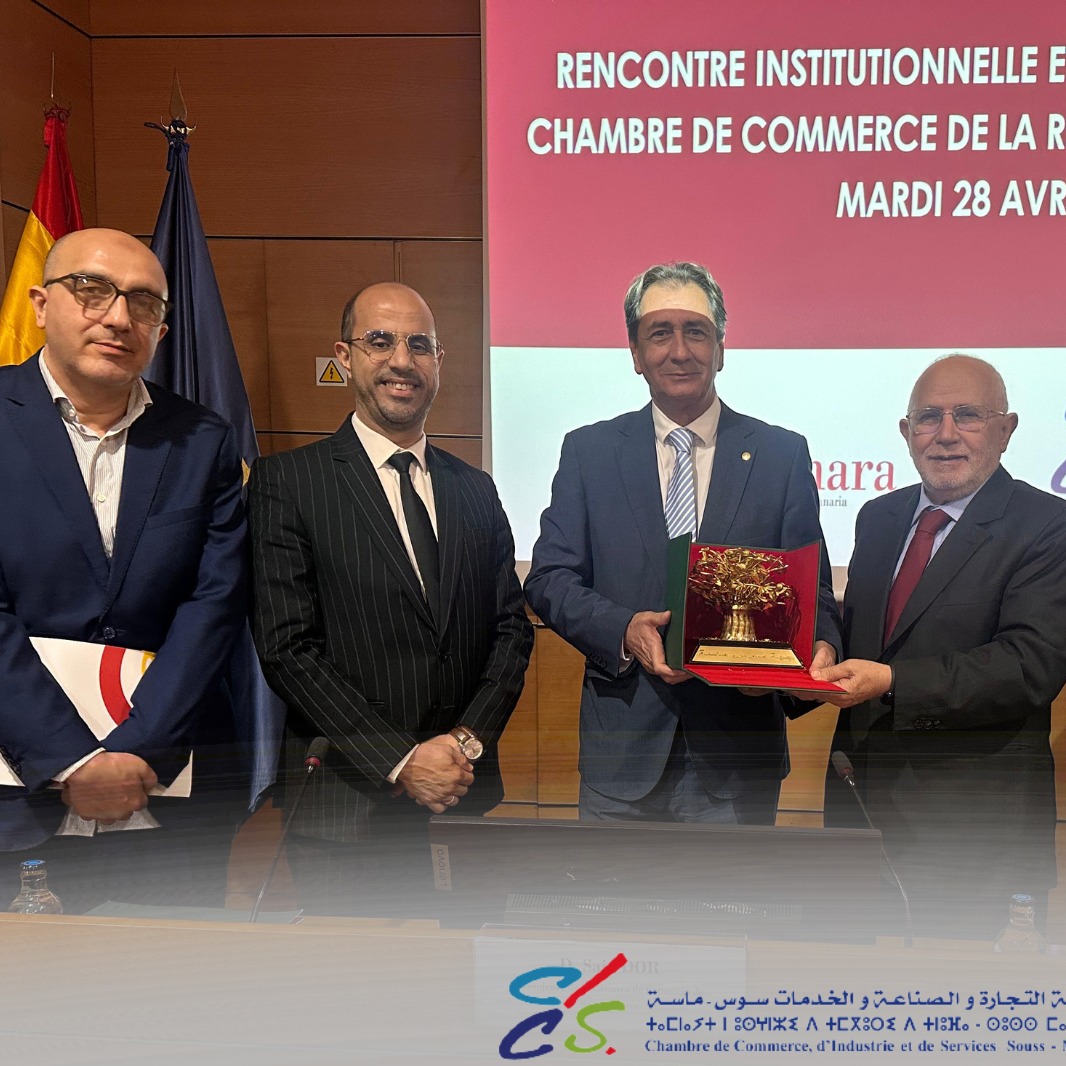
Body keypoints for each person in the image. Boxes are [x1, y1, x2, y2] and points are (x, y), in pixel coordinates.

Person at [251, 282, 534, 916]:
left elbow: (511, 630)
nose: (401, 361)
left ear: (439, 362)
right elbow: (288, 648)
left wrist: (463, 743)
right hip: (345, 809)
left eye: (419, 345)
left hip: (462, 799)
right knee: (358, 979)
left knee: (465, 975)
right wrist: (401, 759)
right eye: (379, 342)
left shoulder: (476, 489)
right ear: (345, 356)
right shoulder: (288, 483)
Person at [526, 261, 840, 825]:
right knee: (611, 891)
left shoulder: (781, 455)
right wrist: (623, 629)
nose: (679, 351)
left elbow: (812, 594)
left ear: (721, 347)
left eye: (696, 331)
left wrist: (809, 657)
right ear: (634, 351)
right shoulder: (589, 452)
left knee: (733, 891)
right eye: (659, 333)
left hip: (739, 755)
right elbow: (550, 578)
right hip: (621, 755)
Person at [0, 228, 249, 912]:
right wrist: (70, 760)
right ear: (40, 304)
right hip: (16, 795)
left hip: (165, 796)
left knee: (167, 977)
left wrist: (139, 752)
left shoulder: (202, 439)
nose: (117, 317)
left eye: (143, 303)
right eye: (92, 290)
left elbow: (214, 601)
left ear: (161, 330)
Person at [815, 355, 1066, 939]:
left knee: (965, 994)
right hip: (858, 821)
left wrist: (894, 683)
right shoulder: (878, 517)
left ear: (1006, 430)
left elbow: (1031, 665)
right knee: (847, 990)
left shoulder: (1053, 526)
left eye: (967, 415)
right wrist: (810, 655)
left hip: (976, 838)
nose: (945, 434)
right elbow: (861, 631)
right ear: (905, 431)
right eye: (928, 417)